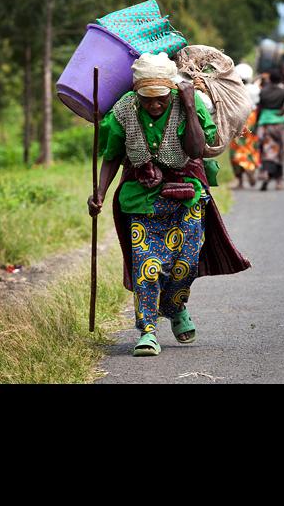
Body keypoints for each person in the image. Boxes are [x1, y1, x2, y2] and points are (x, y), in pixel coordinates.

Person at [87, 52, 251, 357]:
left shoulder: (188, 104)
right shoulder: (124, 110)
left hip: (186, 197)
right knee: (146, 267)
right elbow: (111, 156)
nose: (154, 105)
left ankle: (175, 309)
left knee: (184, 265)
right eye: (147, 99)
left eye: (160, 98)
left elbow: (196, 148)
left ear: (172, 90)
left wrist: (189, 106)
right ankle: (147, 331)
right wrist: (99, 193)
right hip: (141, 200)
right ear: (136, 92)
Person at [255, 68, 284, 191]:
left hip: (265, 124)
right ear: (280, 80)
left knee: (265, 150)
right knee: (280, 150)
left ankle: (265, 172)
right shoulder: (283, 92)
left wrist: (256, 125)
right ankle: (279, 181)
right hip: (279, 125)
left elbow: (259, 108)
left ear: (269, 79)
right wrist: (283, 111)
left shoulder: (263, 91)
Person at [229, 63, 261, 189]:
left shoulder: (234, 89)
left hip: (239, 118)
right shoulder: (254, 89)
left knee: (236, 147)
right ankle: (250, 166)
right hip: (252, 118)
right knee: (250, 146)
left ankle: (240, 180)